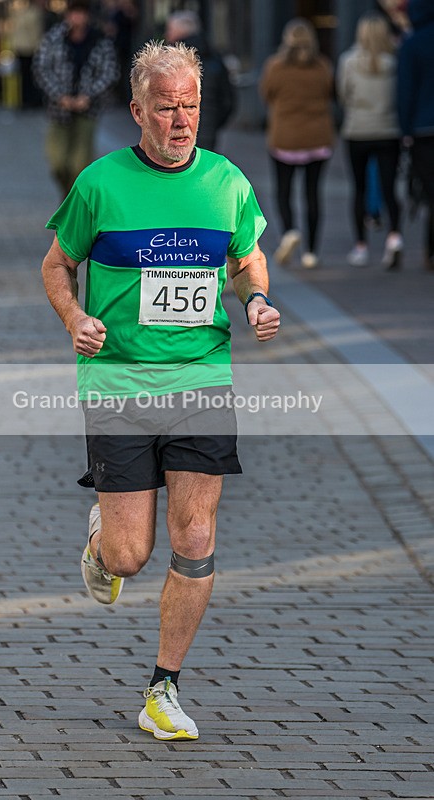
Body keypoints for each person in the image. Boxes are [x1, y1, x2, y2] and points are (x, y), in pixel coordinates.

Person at [40, 41, 280, 741]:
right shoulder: (100, 184)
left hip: (200, 374)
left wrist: (256, 298)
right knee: (127, 558)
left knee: (196, 534)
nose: (181, 120)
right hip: (118, 380)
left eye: (191, 105)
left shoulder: (226, 181)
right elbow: (57, 266)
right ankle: (101, 542)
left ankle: (162, 688)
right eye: (167, 107)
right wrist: (75, 315)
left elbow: (245, 257)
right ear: (138, 110)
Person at [259, 19, 334, 270]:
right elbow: (330, 92)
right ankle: (311, 252)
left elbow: (266, 94)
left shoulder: (275, 67)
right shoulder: (322, 66)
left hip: (285, 137)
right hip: (317, 137)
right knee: (313, 194)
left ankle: (290, 231)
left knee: (284, 190)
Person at [32, 0, 119, 197]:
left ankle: (73, 205)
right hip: (58, 110)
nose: (77, 18)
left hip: (88, 110)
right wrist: (59, 96)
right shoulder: (54, 38)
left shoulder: (100, 41)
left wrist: (88, 97)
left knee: (80, 164)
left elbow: (109, 72)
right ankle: (69, 198)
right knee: (57, 162)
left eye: (81, 13)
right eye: (73, 13)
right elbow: (41, 68)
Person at [338, 13, 403, 269]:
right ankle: (394, 237)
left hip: (358, 130)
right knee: (390, 188)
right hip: (388, 130)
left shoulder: (348, 61)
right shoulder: (393, 61)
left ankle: (361, 247)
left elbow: (343, 94)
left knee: (359, 189)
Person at [165, 9, 234, 152]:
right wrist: (212, 124)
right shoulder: (214, 58)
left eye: (170, 29)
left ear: (180, 32)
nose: (167, 34)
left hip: (174, 132)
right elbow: (228, 100)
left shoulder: (170, 60)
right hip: (207, 133)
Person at [397, 0, 434, 271]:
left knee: (430, 193)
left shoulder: (412, 43)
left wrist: (405, 130)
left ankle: (430, 251)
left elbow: (405, 91)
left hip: (423, 129)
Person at [9, 0, 44, 109]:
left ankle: (28, 99)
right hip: (28, 48)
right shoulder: (32, 14)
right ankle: (28, 99)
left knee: (28, 77)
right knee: (27, 76)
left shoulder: (23, 14)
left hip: (26, 48)